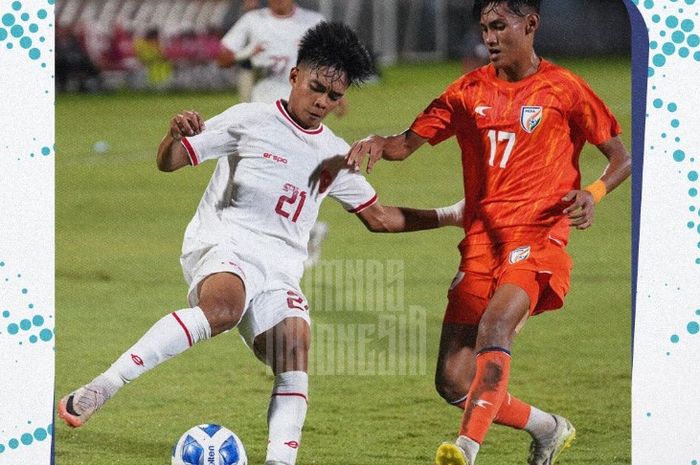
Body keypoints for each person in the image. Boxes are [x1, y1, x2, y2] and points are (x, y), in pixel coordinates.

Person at [58, 22, 464, 465]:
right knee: (223, 311)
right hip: (224, 244)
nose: (323, 102)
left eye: (334, 95)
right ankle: (105, 385)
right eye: (316, 88)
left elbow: (380, 219)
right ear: (294, 76)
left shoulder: (333, 152)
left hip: (280, 269)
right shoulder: (248, 120)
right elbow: (170, 163)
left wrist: (452, 215)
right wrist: (174, 136)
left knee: (295, 350)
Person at [347, 1, 632, 464]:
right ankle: (548, 428)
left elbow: (622, 157)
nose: (490, 38)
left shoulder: (565, 89)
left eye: (500, 26)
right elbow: (405, 145)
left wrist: (593, 193)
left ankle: (466, 449)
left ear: (531, 24)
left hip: (539, 236)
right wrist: (380, 142)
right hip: (481, 244)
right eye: (485, 28)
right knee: (454, 380)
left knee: (496, 325)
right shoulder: (466, 92)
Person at [216, 0, 337, 269]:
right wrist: (245, 53)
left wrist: (335, 96)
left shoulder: (312, 22)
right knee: (257, 173)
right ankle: (300, 232)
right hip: (261, 109)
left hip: (298, 112)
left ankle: (299, 232)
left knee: (282, 174)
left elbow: (331, 61)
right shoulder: (253, 21)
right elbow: (222, 57)